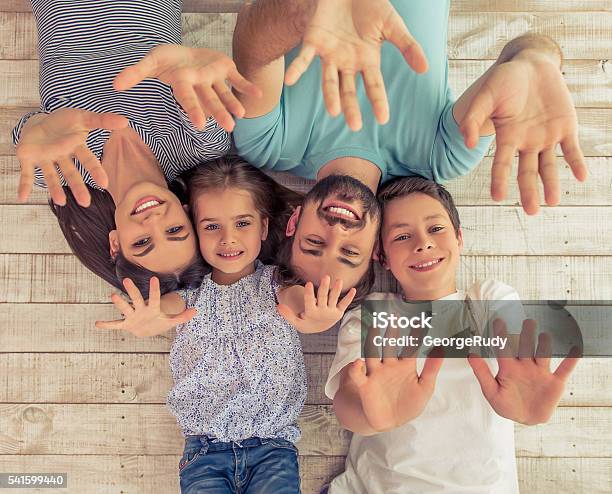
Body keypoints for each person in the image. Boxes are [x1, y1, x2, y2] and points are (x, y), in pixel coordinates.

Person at [228, 0, 587, 295]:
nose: (336, 232)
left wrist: (308, 9)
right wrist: (536, 61)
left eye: (314, 244)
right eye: (349, 252)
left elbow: (250, 39)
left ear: (293, 223)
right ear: (376, 251)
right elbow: (524, 47)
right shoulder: (441, 157)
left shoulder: (268, 146)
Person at [96, 157, 357, 493]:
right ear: (194, 229)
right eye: (211, 226)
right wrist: (151, 317)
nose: (228, 239)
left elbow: (298, 306)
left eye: (242, 224)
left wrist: (315, 318)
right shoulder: (190, 294)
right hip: (204, 451)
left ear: (263, 227)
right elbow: (167, 310)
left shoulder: (277, 285)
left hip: (272, 449)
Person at [323, 176, 580, 493]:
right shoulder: (371, 316)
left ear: (459, 238)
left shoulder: (488, 300)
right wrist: (372, 417)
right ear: (382, 257)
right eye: (402, 236)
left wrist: (527, 411)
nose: (423, 243)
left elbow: (515, 350)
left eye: (435, 229)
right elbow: (347, 403)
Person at [12, 0, 260, 296]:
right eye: (174, 231)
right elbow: (198, 92)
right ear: (187, 213)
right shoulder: (199, 145)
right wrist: (195, 73)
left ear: (115, 244)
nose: (153, 221)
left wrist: (33, 126)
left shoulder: (64, 170)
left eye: (142, 242)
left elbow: (30, 134)